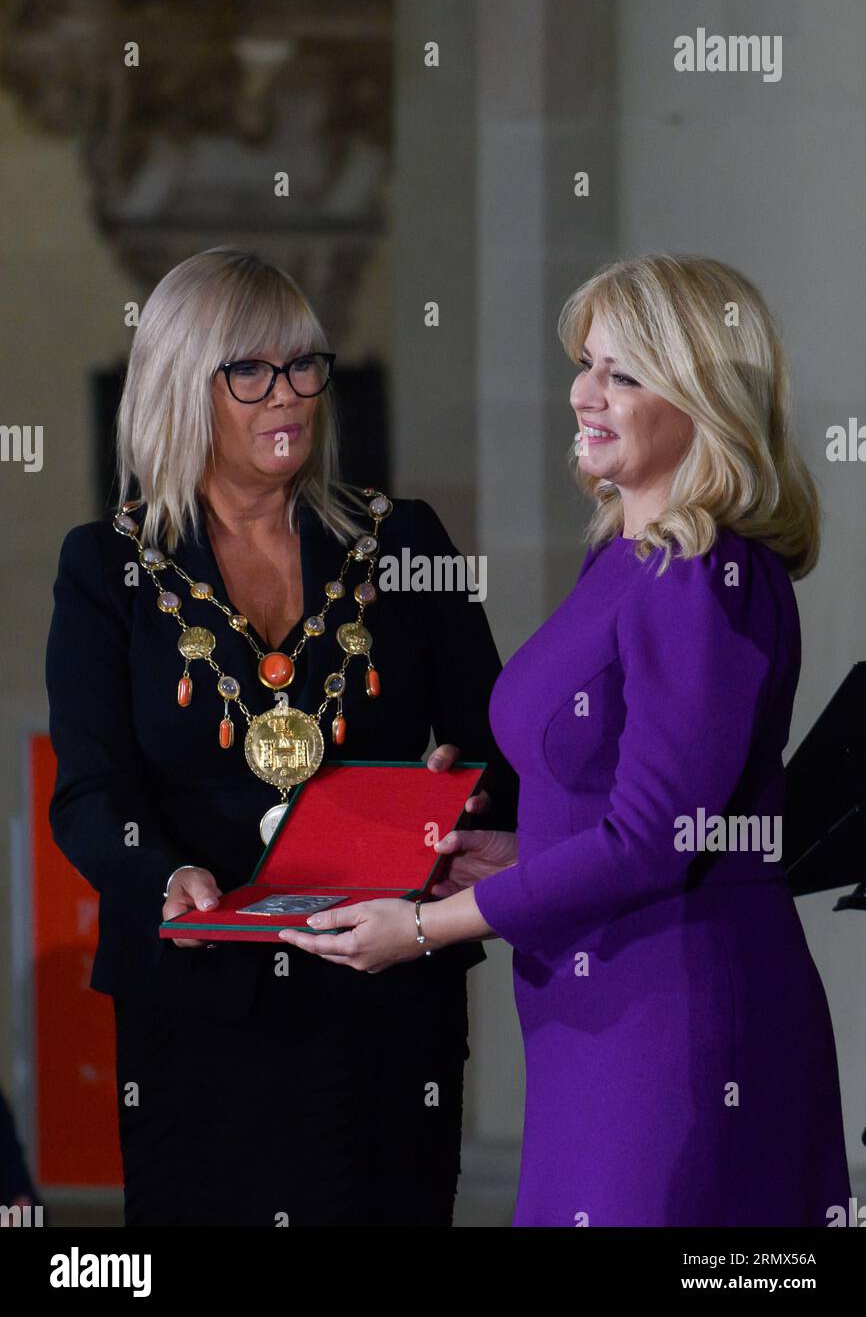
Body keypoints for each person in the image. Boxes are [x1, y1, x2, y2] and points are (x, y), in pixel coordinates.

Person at [280, 253, 852, 1227]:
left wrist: (420, 930)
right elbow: (621, 803)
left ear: (703, 400)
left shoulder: (698, 570)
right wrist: (516, 851)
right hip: (590, 1007)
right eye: (586, 363)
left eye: (623, 374)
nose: (585, 393)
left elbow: (652, 839)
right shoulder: (627, 557)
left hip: (668, 1015)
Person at [46, 246, 515, 1228]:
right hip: (197, 995)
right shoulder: (106, 565)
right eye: (250, 371)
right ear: (182, 381)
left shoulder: (405, 541)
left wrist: (460, 794)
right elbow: (92, 790)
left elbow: (497, 741)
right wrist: (160, 874)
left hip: (383, 984)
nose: (289, 394)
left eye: (304, 363)